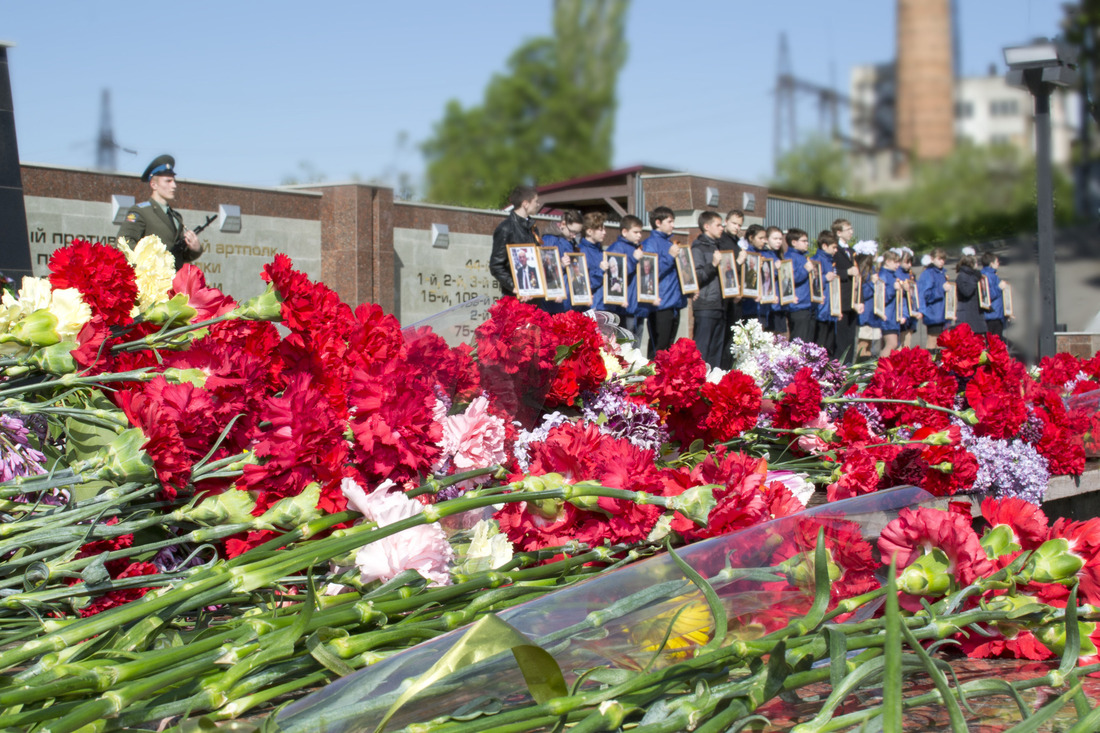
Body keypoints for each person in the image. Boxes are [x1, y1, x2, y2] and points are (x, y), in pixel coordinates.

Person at [117, 154, 203, 270]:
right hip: (151, 282)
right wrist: (149, 263)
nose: (174, 186)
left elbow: (179, 256)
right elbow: (124, 243)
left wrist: (195, 249)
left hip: (174, 282)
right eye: (168, 181)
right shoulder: (141, 212)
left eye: (174, 181)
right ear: (154, 184)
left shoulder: (176, 217)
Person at [643, 206, 686, 358]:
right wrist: (669, 257)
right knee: (658, 347)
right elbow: (648, 273)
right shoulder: (650, 244)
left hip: (674, 302)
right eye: (670, 221)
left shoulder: (669, 243)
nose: (673, 225)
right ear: (658, 222)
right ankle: (650, 377)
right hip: (660, 303)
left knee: (669, 347)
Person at [490, 185, 540, 297]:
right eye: (536, 201)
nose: (538, 204)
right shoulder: (506, 228)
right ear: (525, 204)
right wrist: (515, 287)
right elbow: (496, 265)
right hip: (515, 299)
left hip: (535, 295)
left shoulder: (532, 227)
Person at [690, 211, 726, 368]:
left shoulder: (718, 246)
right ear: (706, 226)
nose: (722, 228)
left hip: (719, 304)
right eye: (718, 225)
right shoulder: (698, 248)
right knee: (702, 350)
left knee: (715, 351)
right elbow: (696, 276)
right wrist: (713, 264)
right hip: (705, 304)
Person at [605, 215, 646, 346]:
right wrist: (633, 260)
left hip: (638, 305)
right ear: (624, 231)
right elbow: (615, 275)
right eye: (635, 232)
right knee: (626, 343)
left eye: (640, 232)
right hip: (624, 307)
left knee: (637, 343)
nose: (639, 235)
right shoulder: (617, 248)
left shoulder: (637, 248)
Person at [538, 209, 583, 314]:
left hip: (566, 302)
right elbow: (545, 268)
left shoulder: (569, 242)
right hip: (554, 303)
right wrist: (561, 265)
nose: (574, 236)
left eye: (577, 233)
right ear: (563, 224)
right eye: (572, 231)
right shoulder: (550, 239)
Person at [718, 209, 748, 369]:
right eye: (734, 223)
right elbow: (726, 269)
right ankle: (722, 368)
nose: (737, 227)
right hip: (726, 297)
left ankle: (728, 368)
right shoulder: (722, 241)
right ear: (726, 221)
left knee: (733, 337)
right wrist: (738, 261)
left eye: (739, 225)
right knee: (725, 337)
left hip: (737, 296)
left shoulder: (738, 242)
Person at [830, 219, 859, 363]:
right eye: (848, 229)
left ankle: (849, 365)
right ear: (839, 232)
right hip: (840, 300)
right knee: (840, 338)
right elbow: (832, 271)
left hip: (852, 300)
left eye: (851, 229)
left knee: (850, 337)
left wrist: (860, 300)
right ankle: (840, 367)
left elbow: (858, 277)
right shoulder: (835, 250)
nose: (851, 232)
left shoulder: (852, 251)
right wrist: (846, 271)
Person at [784, 228, 814, 344]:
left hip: (807, 304)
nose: (807, 243)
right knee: (798, 341)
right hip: (798, 305)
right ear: (794, 242)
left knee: (806, 341)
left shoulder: (803, 257)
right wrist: (805, 270)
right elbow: (789, 279)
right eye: (804, 241)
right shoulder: (789, 257)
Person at [872, 250, 903, 358]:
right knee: (891, 344)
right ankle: (881, 368)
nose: (898, 265)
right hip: (887, 316)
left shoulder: (893, 275)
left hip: (894, 316)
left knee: (895, 345)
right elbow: (881, 298)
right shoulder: (883, 275)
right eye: (896, 262)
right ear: (888, 261)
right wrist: (893, 290)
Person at [917, 248, 949, 350]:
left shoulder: (941, 273)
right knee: (932, 341)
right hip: (933, 313)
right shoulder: (928, 273)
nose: (942, 261)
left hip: (941, 313)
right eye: (939, 259)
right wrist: (941, 290)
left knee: (940, 342)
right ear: (932, 259)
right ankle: (928, 363)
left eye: (943, 259)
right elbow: (926, 294)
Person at [813, 232, 839, 355]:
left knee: (829, 346)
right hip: (821, 309)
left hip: (831, 310)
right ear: (824, 246)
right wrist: (824, 278)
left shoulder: (831, 261)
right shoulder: (816, 260)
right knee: (820, 344)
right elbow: (812, 282)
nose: (836, 250)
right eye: (833, 247)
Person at [952, 253, 987, 335]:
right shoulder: (962, 276)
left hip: (976, 313)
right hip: (966, 315)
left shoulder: (972, 275)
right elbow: (967, 292)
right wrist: (975, 279)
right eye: (976, 262)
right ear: (972, 264)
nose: (978, 265)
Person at [580, 212, 607, 311]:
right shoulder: (581, 252)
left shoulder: (601, 251)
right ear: (589, 231)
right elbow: (583, 284)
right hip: (589, 307)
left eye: (604, 229)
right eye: (600, 230)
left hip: (603, 306)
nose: (604, 232)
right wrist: (600, 271)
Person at [762, 226, 787, 336]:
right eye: (775, 239)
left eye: (780, 239)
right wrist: (775, 270)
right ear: (767, 239)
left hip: (779, 302)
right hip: (769, 303)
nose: (778, 242)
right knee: (769, 334)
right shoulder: (764, 254)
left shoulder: (779, 255)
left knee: (779, 334)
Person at [854, 253, 879, 359]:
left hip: (871, 314)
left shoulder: (872, 270)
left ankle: (866, 369)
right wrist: (872, 283)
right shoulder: (863, 273)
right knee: (863, 345)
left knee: (869, 345)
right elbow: (862, 293)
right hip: (864, 315)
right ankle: (860, 370)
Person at [981, 252, 1006, 339]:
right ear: (991, 264)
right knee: (994, 341)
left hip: (995, 314)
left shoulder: (992, 275)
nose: (998, 264)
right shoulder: (988, 276)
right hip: (992, 315)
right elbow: (987, 295)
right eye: (997, 262)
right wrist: (999, 288)